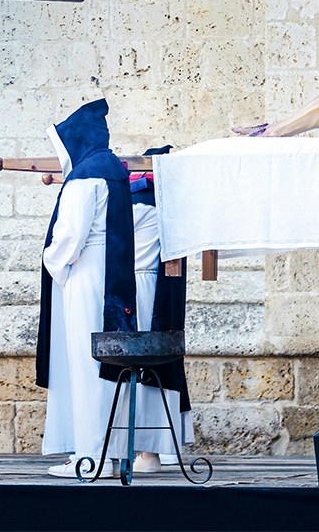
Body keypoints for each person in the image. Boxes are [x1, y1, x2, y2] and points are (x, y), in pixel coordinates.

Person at [36, 98, 137, 479]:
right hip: (113, 274)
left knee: (85, 363)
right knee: (106, 366)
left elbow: (70, 236)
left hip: (85, 273)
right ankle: (108, 454)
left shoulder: (84, 176)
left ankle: (89, 456)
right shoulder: (113, 170)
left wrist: (54, 265)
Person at [125, 153, 192, 471]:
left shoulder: (138, 200)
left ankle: (148, 450)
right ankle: (165, 446)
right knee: (163, 365)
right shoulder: (174, 204)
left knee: (140, 364)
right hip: (160, 287)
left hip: (139, 285)